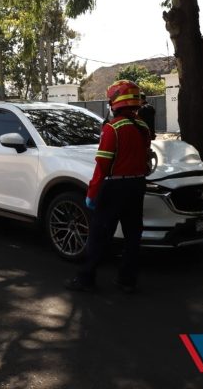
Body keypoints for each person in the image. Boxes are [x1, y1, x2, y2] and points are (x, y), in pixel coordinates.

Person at [65, 80, 151, 294]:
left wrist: (92, 193)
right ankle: (127, 280)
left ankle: (86, 278)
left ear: (115, 102)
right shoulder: (143, 127)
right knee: (133, 235)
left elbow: (102, 166)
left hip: (114, 187)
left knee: (99, 235)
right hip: (137, 184)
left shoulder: (112, 129)